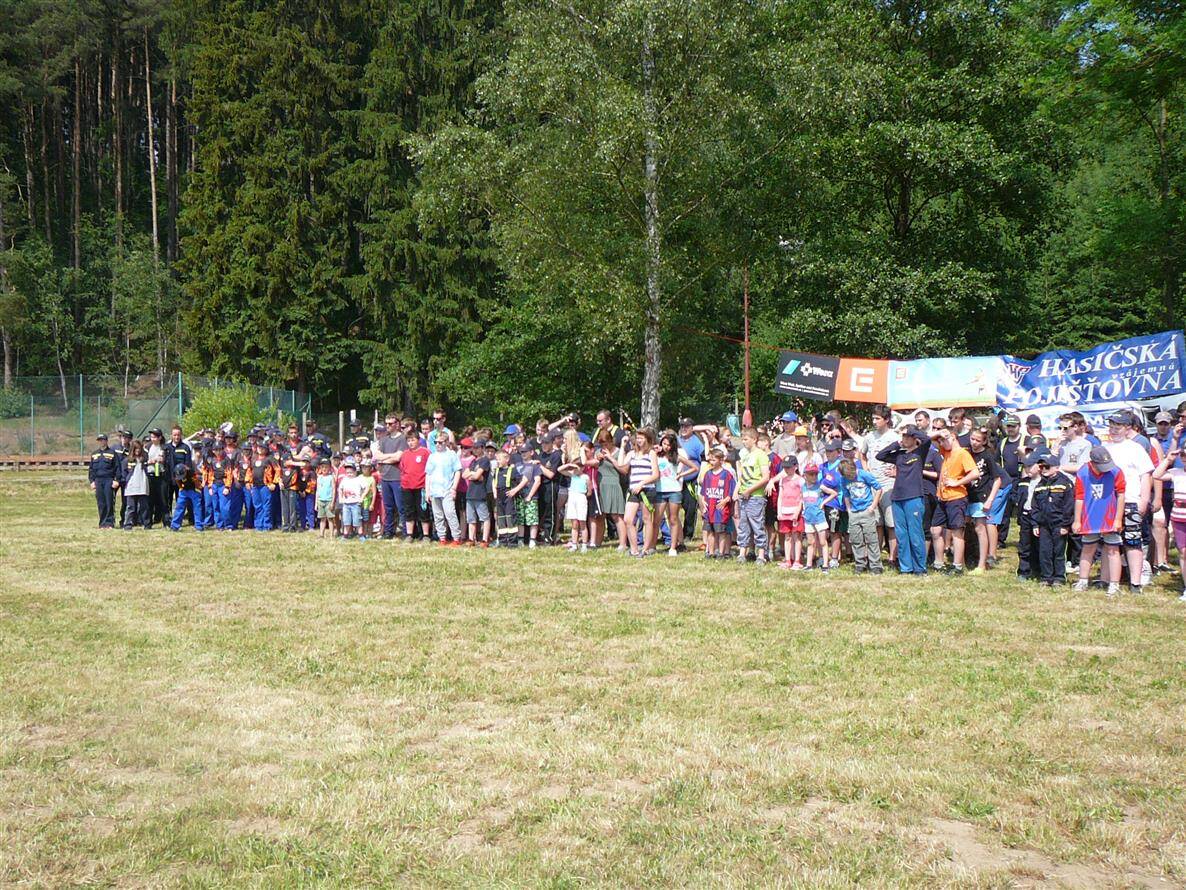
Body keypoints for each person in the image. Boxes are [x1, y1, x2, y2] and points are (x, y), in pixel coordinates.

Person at [1103, 412, 1154, 593]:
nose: (1114, 430)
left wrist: (1144, 500)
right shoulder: (1104, 448)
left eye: (1118, 427)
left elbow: (1146, 475)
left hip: (1131, 500)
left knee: (1133, 542)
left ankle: (1135, 583)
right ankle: (1108, 581)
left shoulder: (1135, 448)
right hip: (1108, 503)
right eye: (1111, 426)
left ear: (1127, 428)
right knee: (1110, 543)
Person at [875, 425, 930, 575]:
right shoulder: (899, 455)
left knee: (915, 534)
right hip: (897, 498)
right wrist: (896, 444)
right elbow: (880, 456)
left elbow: (927, 439)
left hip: (913, 497)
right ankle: (906, 567)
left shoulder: (919, 452)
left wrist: (911, 431)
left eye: (907, 436)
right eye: (903, 436)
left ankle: (920, 568)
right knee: (901, 534)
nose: (904, 439)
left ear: (914, 438)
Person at [1073, 446, 1126, 596]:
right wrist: (1077, 520)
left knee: (1113, 549)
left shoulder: (1116, 471)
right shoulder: (1082, 472)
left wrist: (1118, 519)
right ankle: (1083, 580)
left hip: (1109, 517)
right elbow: (1079, 497)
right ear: (1093, 462)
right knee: (1088, 548)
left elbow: (1121, 495)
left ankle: (1114, 584)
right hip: (1089, 518)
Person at [930, 428, 980, 576]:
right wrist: (941, 434)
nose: (941, 443)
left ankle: (957, 566)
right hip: (943, 497)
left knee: (957, 532)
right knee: (935, 530)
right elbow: (929, 439)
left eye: (944, 440)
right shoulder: (946, 451)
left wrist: (957, 483)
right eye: (940, 441)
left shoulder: (962, 453)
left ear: (953, 437)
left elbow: (975, 473)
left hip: (956, 498)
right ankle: (938, 563)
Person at [614, 428, 660, 557]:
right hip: (634, 490)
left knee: (646, 519)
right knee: (628, 519)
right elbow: (621, 465)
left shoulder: (651, 453)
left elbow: (656, 475)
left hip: (647, 489)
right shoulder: (632, 454)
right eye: (637, 437)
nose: (639, 440)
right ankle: (634, 549)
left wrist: (642, 483)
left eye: (641, 438)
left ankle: (645, 549)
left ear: (647, 439)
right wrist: (622, 447)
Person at [1031, 452, 1073, 586]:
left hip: (1059, 524)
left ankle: (1059, 577)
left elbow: (1069, 506)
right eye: (1041, 467)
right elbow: (1035, 505)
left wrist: (1065, 525)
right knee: (1044, 551)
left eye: (1047, 467)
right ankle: (1046, 577)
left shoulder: (1065, 484)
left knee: (1058, 552)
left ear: (1056, 467)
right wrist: (1035, 524)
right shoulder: (1040, 485)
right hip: (1043, 524)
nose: (1043, 469)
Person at [862, 406, 898, 564]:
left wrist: (897, 471)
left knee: (891, 523)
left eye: (877, 418)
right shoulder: (869, 437)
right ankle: (875, 557)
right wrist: (866, 471)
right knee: (876, 523)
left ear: (887, 419)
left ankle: (892, 557)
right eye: (873, 418)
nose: (874, 421)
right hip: (873, 485)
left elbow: (904, 456)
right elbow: (862, 454)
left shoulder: (895, 437)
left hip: (889, 484)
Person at [966, 428, 1003, 573]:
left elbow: (997, 480)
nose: (974, 443)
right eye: (972, 439)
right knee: (964, 526)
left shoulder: (987, 456)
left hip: (981, 496)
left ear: (984, 441)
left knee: (980, 528)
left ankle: (982, 564)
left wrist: (990, 500)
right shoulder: (966, 453)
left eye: (978, 440)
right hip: (967, 495)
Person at [1151, 446, 1186, 600]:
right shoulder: (1176, 472)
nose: (1185, 458)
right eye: (1183, 455)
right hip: (1179, 517)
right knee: (1183, 552)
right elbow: (1156, 475)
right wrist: (1168, 460)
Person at [734, 427, 771, 565]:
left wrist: (750, 490)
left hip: (756, 496)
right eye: (742, 439)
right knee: (743, 525)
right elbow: (741, 476)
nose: (743, 442)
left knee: (757, 525)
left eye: (746, 439)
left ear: (754, 439)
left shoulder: (761, 455)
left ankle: (761, 554)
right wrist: (738, 491)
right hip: (744, 495)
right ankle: (742, 553)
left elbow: (765, 477)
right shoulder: (745, 455)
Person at [840, 458, 883, 574]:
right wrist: (849, 510)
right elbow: (846, 495)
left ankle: (875, 565)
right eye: (847, 476)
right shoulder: (843, 479)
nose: (850, 477)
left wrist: (873, 506)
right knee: (856, 540)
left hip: (867, 511)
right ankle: (860, 564)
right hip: (854, 512)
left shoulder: (864, 475)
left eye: (851, 475)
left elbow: (879, 488)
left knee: (871, 539)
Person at [372, 417, 407, 539]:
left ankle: (406, 532)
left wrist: (384, 458)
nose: (388, 426)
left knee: (401, 506)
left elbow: (398, 458)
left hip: (397, 477)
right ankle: (388, 531)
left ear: (397, 424)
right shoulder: (384, 440)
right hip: (385, 477)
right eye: (386, 423)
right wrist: (389, 458)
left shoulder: (403, 439)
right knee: (388, 507)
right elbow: (377, 456)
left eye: (390, 423)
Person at [699, 446, 736, 558]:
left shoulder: (726, 475)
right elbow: (703, 491)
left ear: (721, 460)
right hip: (709, 509)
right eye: (710, 460)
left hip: (720, 510)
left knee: (721, 532)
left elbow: (732, 492)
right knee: (710, 531)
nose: (711, 462)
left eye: (714, 460)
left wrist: (726, 500)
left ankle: (721, 552)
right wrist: (703, 501)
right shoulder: (708, 474)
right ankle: (710, 552)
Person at [426, 433, 463, 545]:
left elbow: (457, 471)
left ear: (446, 442)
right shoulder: (432, 456)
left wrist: (454, 488)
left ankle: (456, 538)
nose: (438, 444)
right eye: (436, 442)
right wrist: (427, 491)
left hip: (447, 488)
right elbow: (428, 474)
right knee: (438, 515)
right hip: (435, 490)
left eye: (440, 442)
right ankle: (442, 537)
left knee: (450, 513)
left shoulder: (451, 455)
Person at [656, 433, 687, 556]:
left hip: (674, 490)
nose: (666, 447)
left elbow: (694, 467)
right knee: (657, 519)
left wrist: (681, 474)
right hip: (660, 490)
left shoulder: (676, 457)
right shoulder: (657, 456)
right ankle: (651, 546)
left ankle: (673, 547)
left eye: (668, 445)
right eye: (664, 444)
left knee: (673, 518)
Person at [398, 430, 431, 541]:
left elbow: (430, 469)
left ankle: (426, 535)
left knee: (423, 510)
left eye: (413, 440)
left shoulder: (425, 452)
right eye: (408, 441)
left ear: (418, 440)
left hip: (421, 486)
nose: (411, 443)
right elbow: (402, 468)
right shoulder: (405, 454)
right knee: (409, 511)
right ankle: (410, 534)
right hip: (407, 486)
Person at [677, 417, 705, 547]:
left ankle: (688, 533)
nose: (684, 429)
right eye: (682, 426)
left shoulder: (696, 442)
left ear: (692, 428)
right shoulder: (677, 440)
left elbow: (703, 460)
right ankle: (674, 534)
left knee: (690, 508)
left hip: (691, 480)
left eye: (687, 426)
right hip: (677, 480)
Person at [1014, 453, 1042, 581]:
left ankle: (1038, 569)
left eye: (1030, 466)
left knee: (1039, 545)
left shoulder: (1044, 483)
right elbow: (1015, 494)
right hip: (1025, 516)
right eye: (1025, 466)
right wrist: (1016, 502)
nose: (1027, 469)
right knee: (1024, 545)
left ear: (1039, 466)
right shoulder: (1023, 482)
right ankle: (1024, 570)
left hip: (1038, 517)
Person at [998, 414, 1023, 546]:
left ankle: (1024, 540)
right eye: (1008, 426)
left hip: (1022, 480)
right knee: (1004, 511)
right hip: (1007, 481)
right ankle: (1000, 540)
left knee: (1023, 511)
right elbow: (997, 461)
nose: (1011, 429)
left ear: (1019, 426)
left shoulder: (1025, 440)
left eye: (1013, 426)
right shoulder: (1002, 443)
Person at [801, 463, 831, 571]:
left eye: (815, 474)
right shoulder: (803, 487)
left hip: (819, 517)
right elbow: (802, 500)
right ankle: (809, 565)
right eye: (811, 474)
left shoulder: (820, 486)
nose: (814, 476)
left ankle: (825, 565)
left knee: (823, 542)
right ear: (805, 475)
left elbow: (833, 493)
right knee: (810, 542)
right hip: (808, 518)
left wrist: (823, 503)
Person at [492, 448, 524, 547]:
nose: (498, 461)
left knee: (510, 517)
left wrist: (515, 490)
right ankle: (502, 540)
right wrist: (494, 492)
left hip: (508, 496)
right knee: (501, 518)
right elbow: (494, 481)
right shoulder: (497, 471)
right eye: (496, 459)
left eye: (499, 459)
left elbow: (523, 480)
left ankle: (512, 541)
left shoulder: (512, 470)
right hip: (499, 496)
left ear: (507, 459)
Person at [463, 439, 492, 547]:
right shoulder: (473, 461)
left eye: (477, 448)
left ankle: (485, 539)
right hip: (470, 493)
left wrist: (473, 474)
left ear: (483, 448)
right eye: (473, 448)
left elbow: (476, 476)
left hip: (480, 493)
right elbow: (464, 475)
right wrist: (474, 474)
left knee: (484, 518)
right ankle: (471, 539)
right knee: (471, 519)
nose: (474, 450)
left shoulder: (485, 460)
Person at [246, 441, 280, 531]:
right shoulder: (253, 459)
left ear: (266, 449)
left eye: (262, 447)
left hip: (266, 486)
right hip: (255, 486)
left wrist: (274, 483)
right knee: (257, 505)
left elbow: (278, 470)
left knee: (266, 506)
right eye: (259, 447)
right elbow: (249, 471)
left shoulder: (270, 459)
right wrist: (248, 481)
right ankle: (258, 525)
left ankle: (267, 525)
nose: (260, 449)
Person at [561, 450, 589, 552]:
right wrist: (569, 465)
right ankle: (574, 544)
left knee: (582, 523)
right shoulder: (572, 475)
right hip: (572, 497)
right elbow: (560, 469)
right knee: (574, 523)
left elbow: (589, 490)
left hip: (581, 498)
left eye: (578, 467)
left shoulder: (585, 477)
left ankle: (584, 544)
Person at [120, 440, 151, 529]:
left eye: (139, 448)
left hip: (142, 486)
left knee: (144, 507)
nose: (137, 450)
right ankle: (128, 524)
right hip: (131, 487)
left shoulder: (144, 460)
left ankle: (146, 524)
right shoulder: (127, 461)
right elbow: (124, 474)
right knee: (130, 507)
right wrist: (126, 481)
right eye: (135, 448)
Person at [516, 444, 542, 547]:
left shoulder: (535, 465)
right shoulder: (517, 465)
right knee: (520, 519)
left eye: (525, 451)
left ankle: (532, 540)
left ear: (531, 452)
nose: (523, 454)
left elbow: (537, 481)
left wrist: (530, 496)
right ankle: (520, 539)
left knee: (533, 519)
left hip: (531, 496)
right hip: (519, 496)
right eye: (521, 452)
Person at [170, 460, 206, 531]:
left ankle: (199, 526)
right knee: (179, 507)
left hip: (194, 490)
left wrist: (199, 491)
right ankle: (175, 526)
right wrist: (181, 488)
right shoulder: (175, 472)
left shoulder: (191, 472)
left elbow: (197, 483)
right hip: (183, 491)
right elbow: (177, 481)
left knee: (197, 508)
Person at [336, 459, 366, 539]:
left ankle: (361, 535)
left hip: (356, 503)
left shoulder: (358, 479)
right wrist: (341, 498)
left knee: (357, 520)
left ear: (355, 472)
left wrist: (362, 497)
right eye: (348, 472)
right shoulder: (344, 480)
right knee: (346, 520)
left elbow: (366, 488)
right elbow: (340, 489)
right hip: (346, 504)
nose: (349, 474)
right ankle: (345, 535)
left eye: (351, 472)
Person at [315, 459, 335, 538]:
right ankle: (321, 534)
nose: (324, 469)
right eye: (322, 467)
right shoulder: (319, 478)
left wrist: (332, 502)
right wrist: (316, 503)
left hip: (329, 500)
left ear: (329, 468)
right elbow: (317, 490)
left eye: (326, 467)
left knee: (330, 519)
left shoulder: (331, 477)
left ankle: (331, 535)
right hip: (321, 500)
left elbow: (333, 490)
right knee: (322, 519)